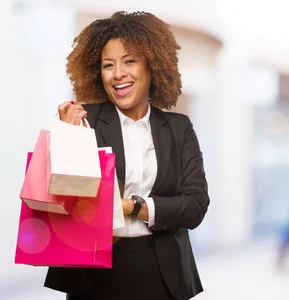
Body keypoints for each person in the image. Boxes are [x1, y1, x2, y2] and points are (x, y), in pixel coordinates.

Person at [43, 11, 210, 300]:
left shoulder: (178, 128)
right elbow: (64, 203)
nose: (118, 73)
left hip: (163, 273)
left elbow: (195, 206)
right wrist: (67, 139)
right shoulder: (84, 121)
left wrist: (131, 207)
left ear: (152, 65)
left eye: (129, 61)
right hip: (96, 275)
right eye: (108, 65)